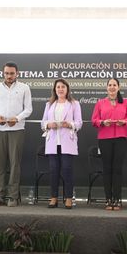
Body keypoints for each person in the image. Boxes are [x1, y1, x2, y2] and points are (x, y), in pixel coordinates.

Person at [0, 62, 32, 207]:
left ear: (17, 73)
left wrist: (17, 118)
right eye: (6, 73)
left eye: (12, 73)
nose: (9, 76)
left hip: (16, 130)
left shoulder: (24, 88)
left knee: (14, 164)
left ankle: (12, 197)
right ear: (3, 73)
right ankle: (0, 196)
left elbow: (28, 109)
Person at [91, 78, 127, 210]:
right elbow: (94, 120)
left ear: (119, 87)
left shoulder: (125, 102)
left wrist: (124, 122)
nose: (112, 87)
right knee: (107, 169)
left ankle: (117, 199)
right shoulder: (100, 103)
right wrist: (103, 122)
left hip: (121, 138)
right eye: (110, 85)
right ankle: (108, 199)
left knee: (117, 169)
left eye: (114, 85)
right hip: (105, 138)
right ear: (106, 88)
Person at [41, 79, 83, 209]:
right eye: (58, 87)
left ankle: (68, 198)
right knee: (53, 171)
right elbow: (43, 123)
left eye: (63, 87)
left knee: (67, 170)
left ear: (67, 89)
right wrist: (49, 124)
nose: (60, 89)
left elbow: (79, 123)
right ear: (55, 89)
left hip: (67, 142)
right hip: (53, 142)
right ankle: (53, 198)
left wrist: (69, 124)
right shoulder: (49, 104)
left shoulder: (74, 104)